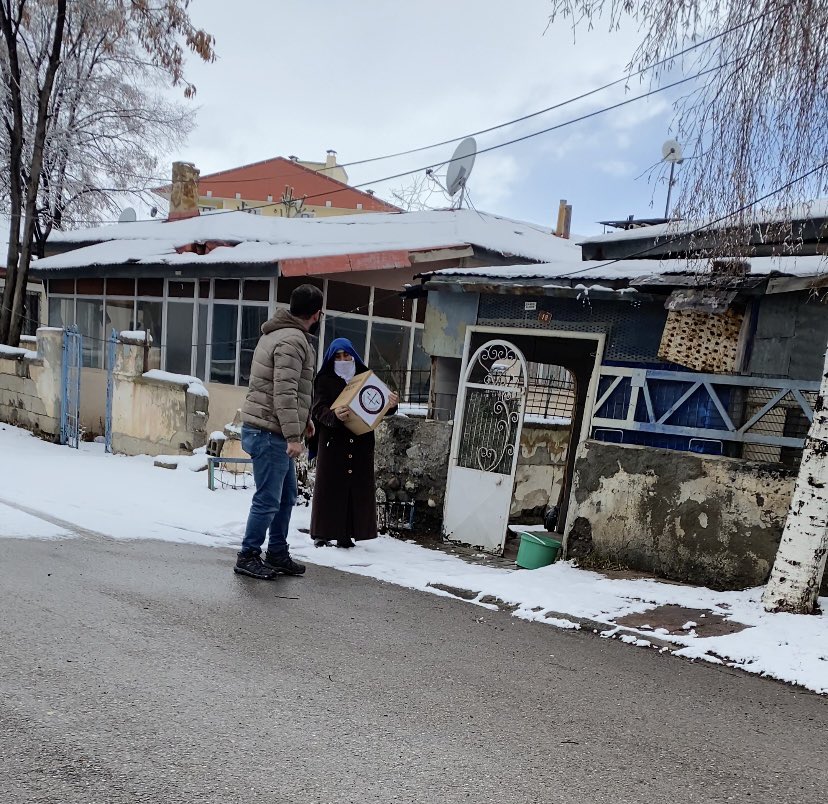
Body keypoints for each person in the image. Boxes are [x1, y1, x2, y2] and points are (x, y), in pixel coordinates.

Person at [235, 283, 324, 580]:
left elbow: (292, 390)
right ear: (317, 314)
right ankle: (248, 555)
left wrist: (305, 420)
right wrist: (292, 437)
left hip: (269, 427)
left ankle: (276, 552)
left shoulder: (278, 333)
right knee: (268, 499)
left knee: (286, 497)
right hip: (269, 431)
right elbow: (284, 393)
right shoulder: (292, 340)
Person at [309, 337, 398, 548]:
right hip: (333, 441)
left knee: (354, 488)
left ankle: (347, 533)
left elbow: (378, 401)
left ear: (353, 355)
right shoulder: (324, 379)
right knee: (330, 487)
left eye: (346, 355)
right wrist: (334, 415)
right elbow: (318, 409)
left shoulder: (365, 376)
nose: (343, 359)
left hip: (360, 441)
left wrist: (392, 404)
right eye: (338, 356)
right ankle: (323, 532)